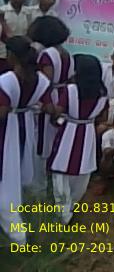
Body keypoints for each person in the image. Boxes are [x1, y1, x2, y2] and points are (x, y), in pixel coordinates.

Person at [0, 36, 51, 244]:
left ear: (12, 56)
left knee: (6, 179)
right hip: (26, 127)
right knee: (18, 173)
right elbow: (49, 107)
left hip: (6, 132)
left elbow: (2, 113)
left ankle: (18, 236)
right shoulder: (41, 81)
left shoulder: (7, 80)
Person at [47, 54, 109, 225]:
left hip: (69, 131)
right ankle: (72, 207)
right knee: (83, 172)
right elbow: (103, 117)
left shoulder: (71, 90)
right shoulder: (103, 93)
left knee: (61, 171)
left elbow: (58, 112)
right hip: (88, 132)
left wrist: (54, 117)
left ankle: (63, 214)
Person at [29, 16, 74, 195]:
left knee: (41, 143)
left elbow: (45, 82)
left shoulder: (47, 55)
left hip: (49, 99)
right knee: (54, 140)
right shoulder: (66, 54)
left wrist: (45, 102)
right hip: (62, 97)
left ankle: (38, 187)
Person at [0, 0, 33, 73]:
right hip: (4, 53)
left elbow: (29, 31)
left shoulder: (28, 12)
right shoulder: (3, 11)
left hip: (21, 53)